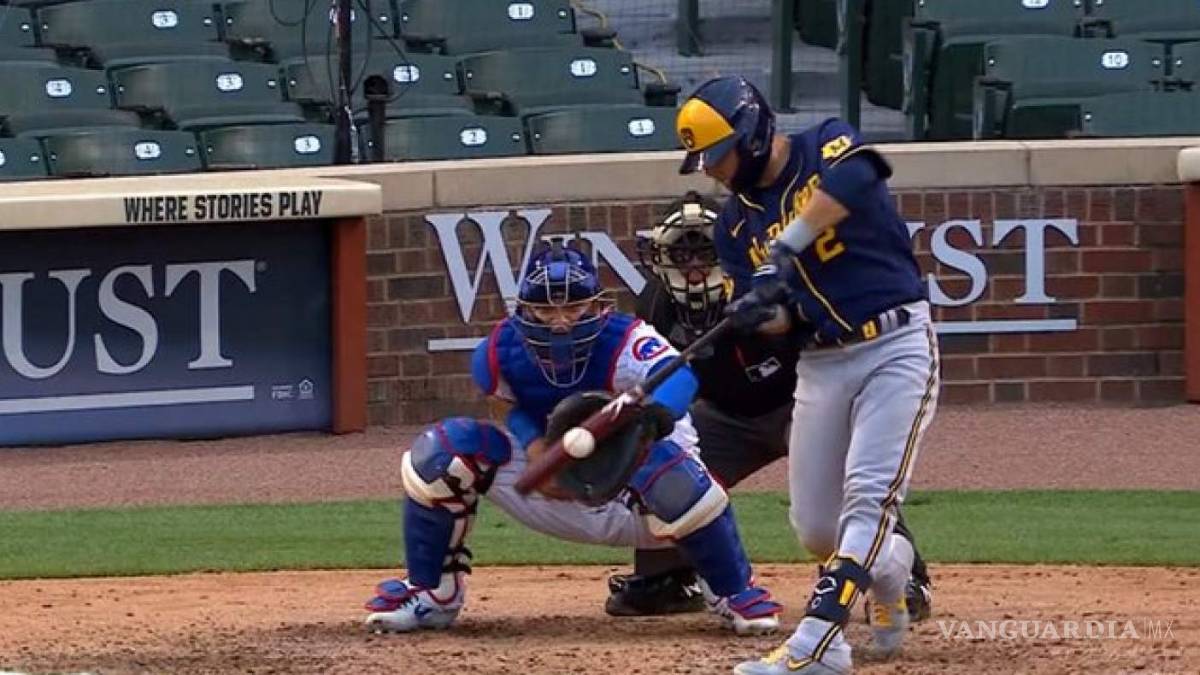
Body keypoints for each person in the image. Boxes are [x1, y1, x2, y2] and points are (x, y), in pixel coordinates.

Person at [363, 242, 782, 636]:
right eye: (546, 309)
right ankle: (433, 593)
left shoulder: (628, 340)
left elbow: (681, 378)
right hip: (550, 485)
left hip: (643, 500)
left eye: (574, 306)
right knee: (441, 452)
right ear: (525, 309)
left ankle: (731, 590)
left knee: (669, 470)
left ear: (597, 305)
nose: (561, 320)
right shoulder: (498, 352)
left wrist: (653, 419)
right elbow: (506, 407)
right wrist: (536, 451)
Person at [674, 76, 941, 674]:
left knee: (867, 499)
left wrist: (788, 246)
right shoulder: (733, 225)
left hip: (894, 345)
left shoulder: (823, 145)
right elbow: (783, 320)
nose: (713, 171)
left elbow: (864, 173)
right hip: (821, 362)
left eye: (719, 155)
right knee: (818, 528)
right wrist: (758, 314)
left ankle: (818, 646)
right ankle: (892, 573)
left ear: (752, 135)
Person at [603, 191, 933, 625]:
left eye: (705, 253)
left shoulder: (765, 283)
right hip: (723, 415)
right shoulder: (655, 304)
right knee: (670, 466)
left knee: (848, 478)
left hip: (800, 400)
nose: (694, 267)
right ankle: (666, 578)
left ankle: (902, 579)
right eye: (681, 255)